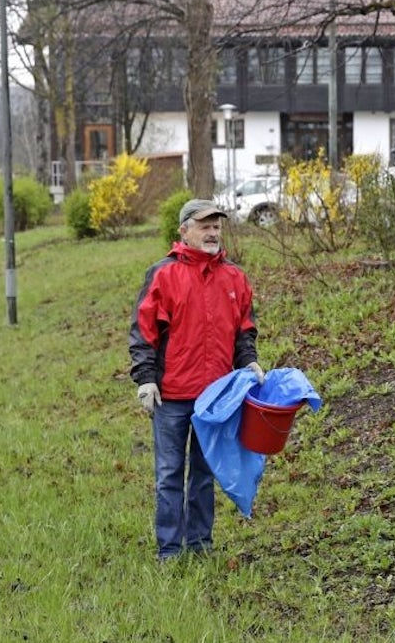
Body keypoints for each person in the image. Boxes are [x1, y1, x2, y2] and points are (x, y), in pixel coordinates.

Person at [129, 198, 265, 560]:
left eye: (217, 226)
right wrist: (145, 378)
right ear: (184, 230)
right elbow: (143, 332)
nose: (212, 233)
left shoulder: (234, 277)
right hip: (172, 395)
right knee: (170, 474)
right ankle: (170, 550)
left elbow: (244, 330)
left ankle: (200, 544)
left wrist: (249, 362)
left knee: (204, 475)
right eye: (204, 226)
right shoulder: (163, 274)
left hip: (217, 398)